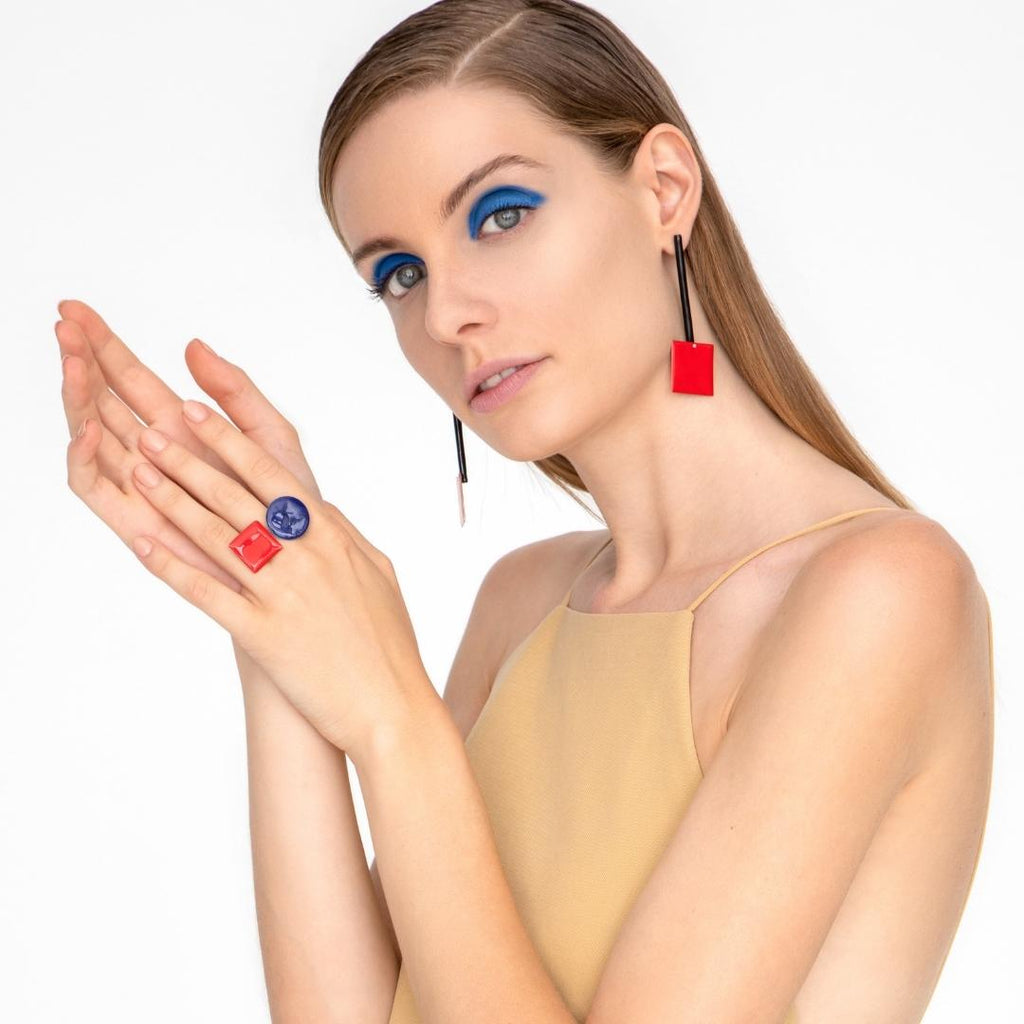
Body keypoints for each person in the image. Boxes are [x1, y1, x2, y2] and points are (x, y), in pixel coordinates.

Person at [58, 1, 994, 1021]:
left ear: (664, 190)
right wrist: (275, 614)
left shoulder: (880, 591)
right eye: (399, 274)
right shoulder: (525, 601)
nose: (445, 312)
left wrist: (393, 719)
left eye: (498, 215)